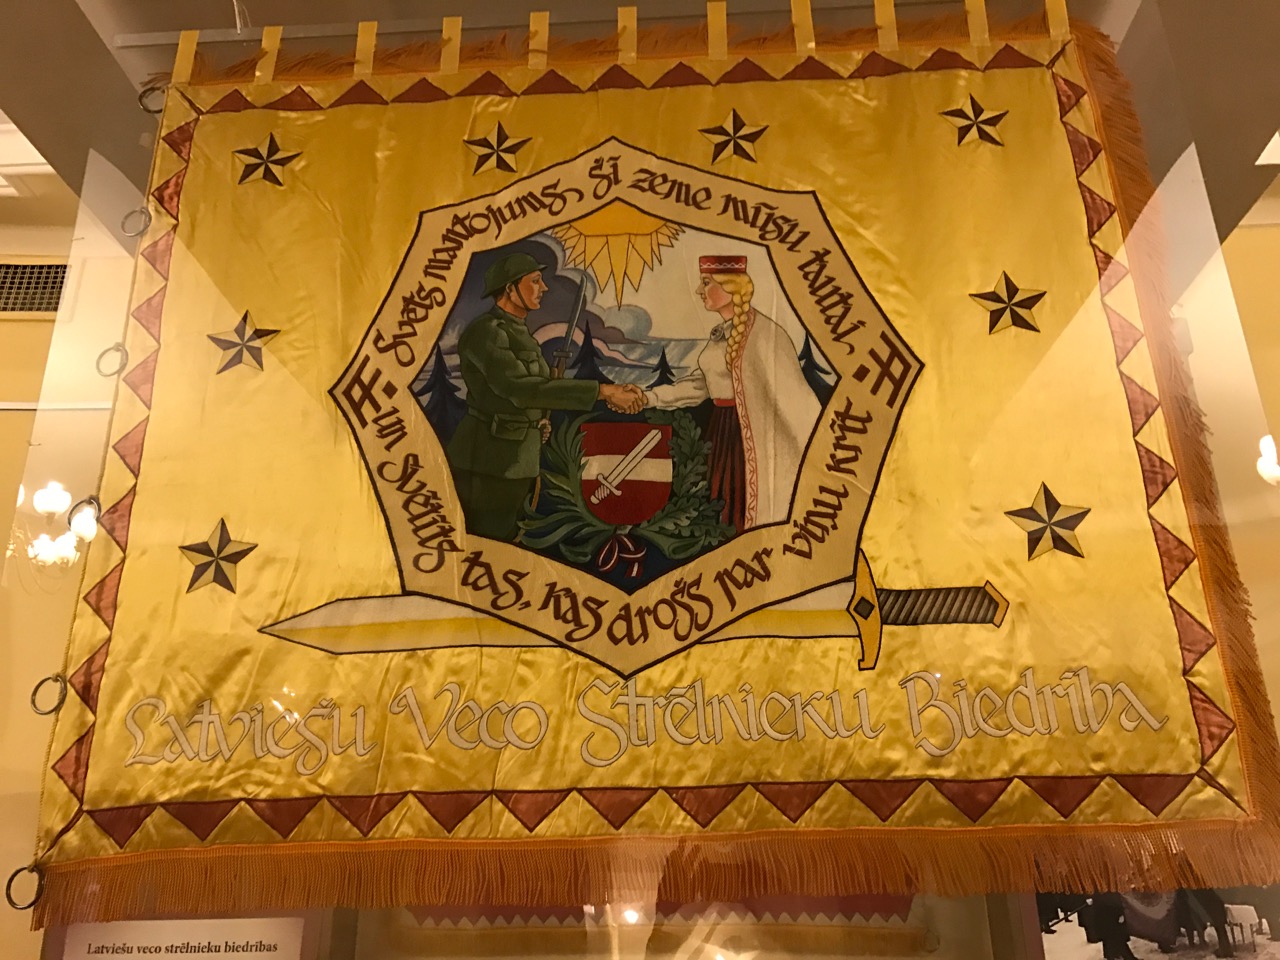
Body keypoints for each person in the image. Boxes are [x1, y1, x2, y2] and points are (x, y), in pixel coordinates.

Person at [446, 252, 641, 541]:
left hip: (518, 460)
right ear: (510, 288)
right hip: (488, 463)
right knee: (489, 545)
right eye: (535, 281)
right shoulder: (486, 332)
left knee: (510, 541)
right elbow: (520, 389)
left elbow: (527, 394)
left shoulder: (518, 332)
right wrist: (602, 391)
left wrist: (535, 423)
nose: (544, 287)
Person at [639, 255, 819, 533]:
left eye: (706, 282)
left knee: (741, 511)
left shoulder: (765, 335)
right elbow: (699, 386)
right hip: (721, 433)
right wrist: (647, 397)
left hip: (747, 439)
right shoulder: (722, 335)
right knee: (719, 509)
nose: (699, 290)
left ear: (731, 286)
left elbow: (796, 402)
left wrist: (818, 455)